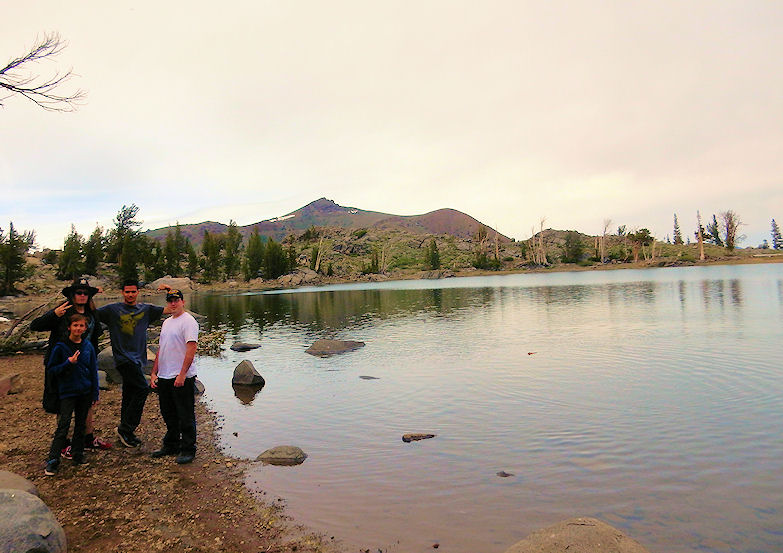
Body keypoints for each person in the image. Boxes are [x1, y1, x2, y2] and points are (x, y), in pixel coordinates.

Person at [30, 277, 112, 454]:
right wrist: (53, 315)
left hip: (84, 366)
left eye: (85, 293)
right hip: (62, 364)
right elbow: (34, 326)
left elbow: (94, 338)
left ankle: (87, 438)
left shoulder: (92, 314)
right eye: (78, 292)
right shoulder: (63, 311)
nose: (82, 295)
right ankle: (64, 442)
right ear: (72, 295)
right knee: (62, 403)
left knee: (87, 402)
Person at [97, 279, 172, 448]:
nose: (130, 295)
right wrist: (91, 293)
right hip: (123, 359)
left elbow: (171, 309)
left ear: (138, 292)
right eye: (127, 292)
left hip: (139, 359)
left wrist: (169, 291)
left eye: (133, 292)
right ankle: (126, 428)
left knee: (129, 393)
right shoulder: (112, 310)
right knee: (142, 389)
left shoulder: (146, 309)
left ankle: (125, 430)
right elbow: (90, 312)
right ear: (122, 293)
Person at [44, 313, 100, 476]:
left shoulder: (88, 346)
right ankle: (53, 460)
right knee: (64, 425)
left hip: (85, 391)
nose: (78, 328)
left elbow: (93, 370)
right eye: (75, 325)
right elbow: (52, 369)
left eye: (81, 326)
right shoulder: (60, 347)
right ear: (69, 327)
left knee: (81, 424)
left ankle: (77, 453)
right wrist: (68, 363)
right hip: (67, 392)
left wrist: (95, 393)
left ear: (85, 328)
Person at [150, 289, 199, 464]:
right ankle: (171, 444)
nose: (173, 303)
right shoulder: (166, 323)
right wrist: (154, 372)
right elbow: (161, 349)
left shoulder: (189, 321)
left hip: (181, 376)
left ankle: (188, 448)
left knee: (185, 414)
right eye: (170, 300)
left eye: (176, 300)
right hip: (165, 375)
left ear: (182, 302)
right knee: (168, 412)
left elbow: (191, 348)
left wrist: (182, 374)